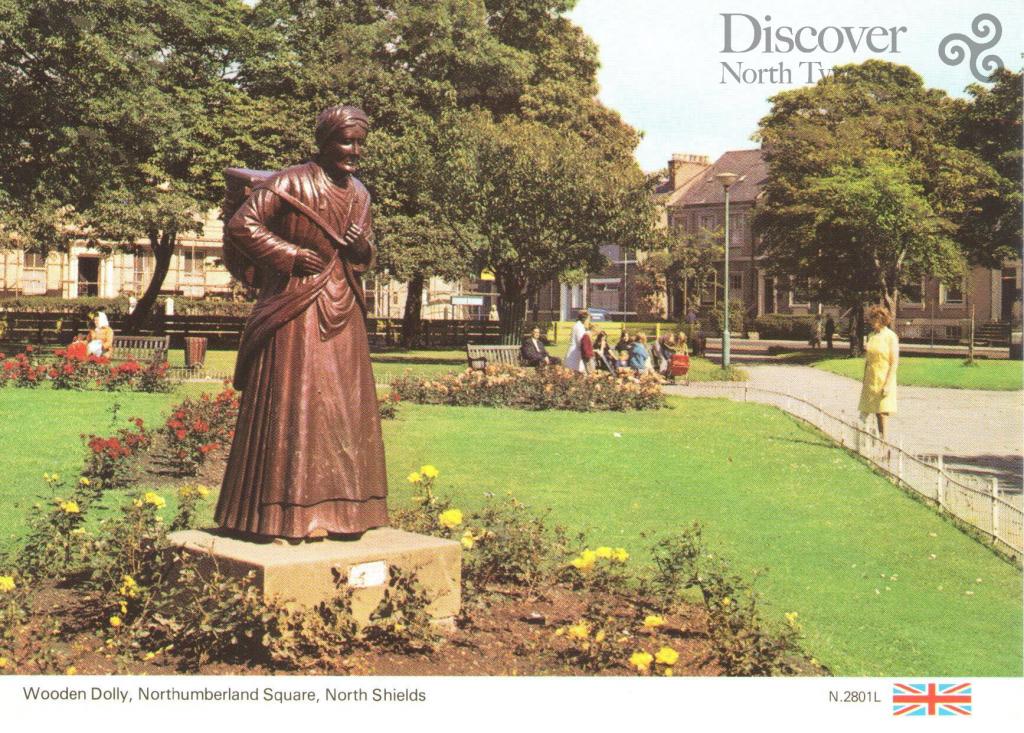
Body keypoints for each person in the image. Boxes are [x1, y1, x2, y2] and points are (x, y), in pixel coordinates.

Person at [216, 104, 387, 540]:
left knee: (346, 411)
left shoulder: (360, 193)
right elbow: (243, 225)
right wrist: (289, 255)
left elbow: (367, 257)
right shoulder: (292, 181)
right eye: (345, 141)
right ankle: (285, 514)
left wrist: (359, 247)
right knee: (297, 404)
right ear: (325, 141)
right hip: (298, 304)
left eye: (359, 143)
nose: (353, 151)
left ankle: (348, 512)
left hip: (343, 305)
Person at [858, 305, 899, 438]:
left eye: (872, 319)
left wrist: (887, 384)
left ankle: (884, 443)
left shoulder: (890, 336)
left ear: (880, 319)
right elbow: (868, 360)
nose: (870, 322)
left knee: (882, 413)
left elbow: (894, 363)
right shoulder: (871, 335)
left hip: (884, 378)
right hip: (871, 378)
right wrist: (864, 379)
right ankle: (863, 441)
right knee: (866, 411)